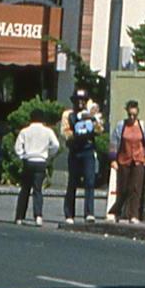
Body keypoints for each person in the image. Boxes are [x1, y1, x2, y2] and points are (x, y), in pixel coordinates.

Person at [12, 110, 60, 226]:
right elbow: (56, 145)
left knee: (25, 189)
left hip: (29, 160)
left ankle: (19, 217)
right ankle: (38, 216)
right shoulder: (48, 131)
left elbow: (17, 147)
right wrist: (48, 155)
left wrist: (22, 155)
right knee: (37, 190)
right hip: (41, 161)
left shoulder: (25, 131)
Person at [110, 100, 145, 223]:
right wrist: (113, 159)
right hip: (124, 160)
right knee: (123, 188)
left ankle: (133, 215)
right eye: (129, 114)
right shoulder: (121, 125)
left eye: (134, 115)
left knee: (136, 189)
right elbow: (114, 143)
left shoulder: (142, 126)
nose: (131, 117)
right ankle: (116, 211)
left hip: (138, 160)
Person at [61, 88, 100, 223]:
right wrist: (77, 133)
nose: (81, 103)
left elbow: (99, 129)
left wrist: (93, 119)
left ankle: (89, 213)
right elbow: (65, 132)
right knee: (73, 182)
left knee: (90, 181)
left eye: (83, 101)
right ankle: (69, 213)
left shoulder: (90, 114)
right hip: (75, 150)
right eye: (78, 101)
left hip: (88, 150)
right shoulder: (68, 114)